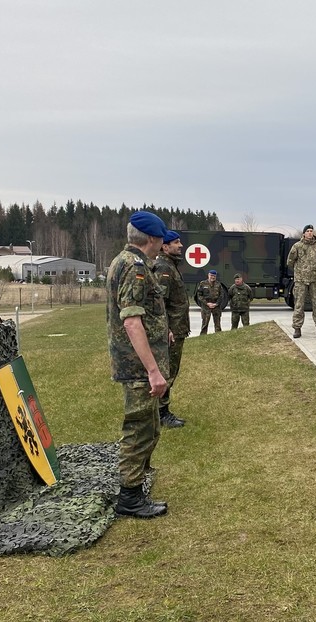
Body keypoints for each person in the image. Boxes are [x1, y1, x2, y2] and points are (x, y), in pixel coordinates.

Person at [107, 211, 171, 519]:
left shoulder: (126, 261)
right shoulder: (134, 267)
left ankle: (136, 485)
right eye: (161, 239)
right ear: (153, 239)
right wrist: (152, 370)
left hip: (137, 364)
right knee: (139, 428)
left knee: (149, 426)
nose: (162, 244)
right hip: (138, 367)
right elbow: (132, 321)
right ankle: (130, 497)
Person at [154, 230, 188, 428]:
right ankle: (161, 413)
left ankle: (160, 410)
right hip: (171, 332)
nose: (180, 245)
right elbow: (160, 303)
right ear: (165, 247)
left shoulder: (171, 266)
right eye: (176, 242)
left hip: (177, 329)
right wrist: (166, 329)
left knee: (171, 371)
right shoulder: (163, 268)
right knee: (167, 372)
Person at [287, 225, 316, 338]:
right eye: (307, 231)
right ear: (304, 233)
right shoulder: (297, 246)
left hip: (315, 280)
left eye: (311, 231)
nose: (310, 233)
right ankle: (297, 328)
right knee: (299, 304)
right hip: (301, 280)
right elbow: (290, 262)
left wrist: (315, 269)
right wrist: (299, 271)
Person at [194, 269, 225, 334]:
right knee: (205, 323)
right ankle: (202, 337)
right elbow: (199, 295)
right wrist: (207, 303)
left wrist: (216, 304)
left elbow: (222, 295)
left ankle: (218, 336)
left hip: (216, 307)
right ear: (208, 275)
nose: (212, 277)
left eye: (214, 276)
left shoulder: (218, 284)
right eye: (211, 275)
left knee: (217, 324)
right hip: (206, 307)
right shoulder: (203, 283)